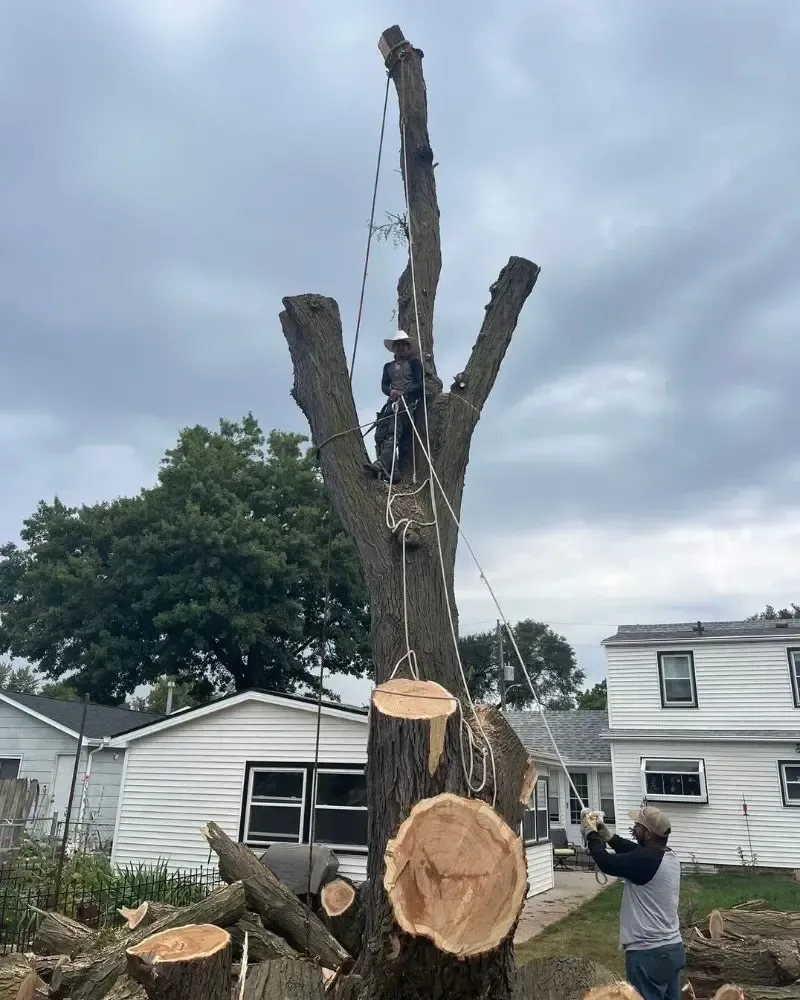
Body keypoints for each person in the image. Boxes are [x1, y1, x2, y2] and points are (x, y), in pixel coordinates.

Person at [581, 805, 684, 1000]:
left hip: (647, 954)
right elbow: (635, 851)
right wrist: (609, 838)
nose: (635, 828)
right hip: (673, 949)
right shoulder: (668, 856)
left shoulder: (644, 860)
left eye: (637, 825)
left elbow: (606, 862)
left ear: (648, 832)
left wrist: (591, 835)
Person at [370, 330, 423, 481]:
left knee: (394, 430)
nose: (400, 348)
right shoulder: (388, 366)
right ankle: (393, 470)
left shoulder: (414, 363)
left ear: (408, 348)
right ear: (394, 349)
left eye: (403, 345)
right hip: (391, 404)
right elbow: (384, 385)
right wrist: (391, 391)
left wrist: (404, 392)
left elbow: (420, 384)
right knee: (380, 434)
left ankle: (382, 463)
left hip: (407, 405)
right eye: (397, 345)